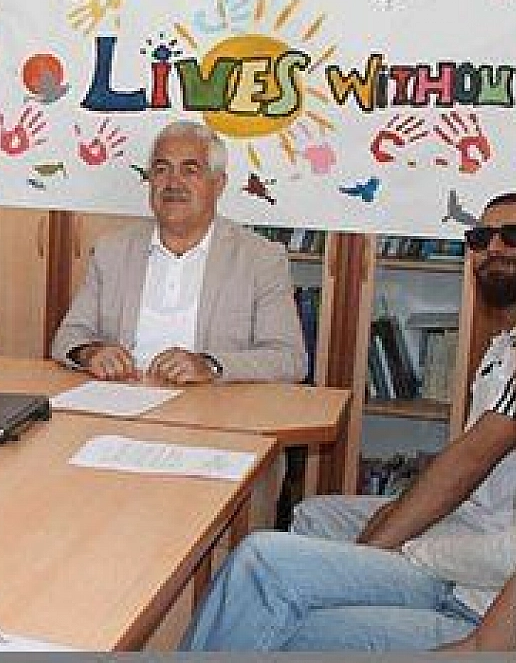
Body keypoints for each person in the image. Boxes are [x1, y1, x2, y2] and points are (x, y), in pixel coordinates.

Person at [181, 192, 516, 652]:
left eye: (511, 236)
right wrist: (382, 534)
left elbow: (467, 465)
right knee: (312, 517)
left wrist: (388, 551)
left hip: (475, 584)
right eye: (481, 238)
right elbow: (456, 473)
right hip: (472, 531)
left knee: (263, 570)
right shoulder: (504, 344)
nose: (494, 248)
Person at [50, 120, 306, 384]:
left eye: (190, 170)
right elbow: (68, 337)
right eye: (162, 170)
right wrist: (90, 353)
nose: (173, 182)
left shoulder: (261, 259)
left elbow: (289, 359)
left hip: (212, 403)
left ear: (218, 184)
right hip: (120, 395)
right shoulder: (111, 251)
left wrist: (211, 366)